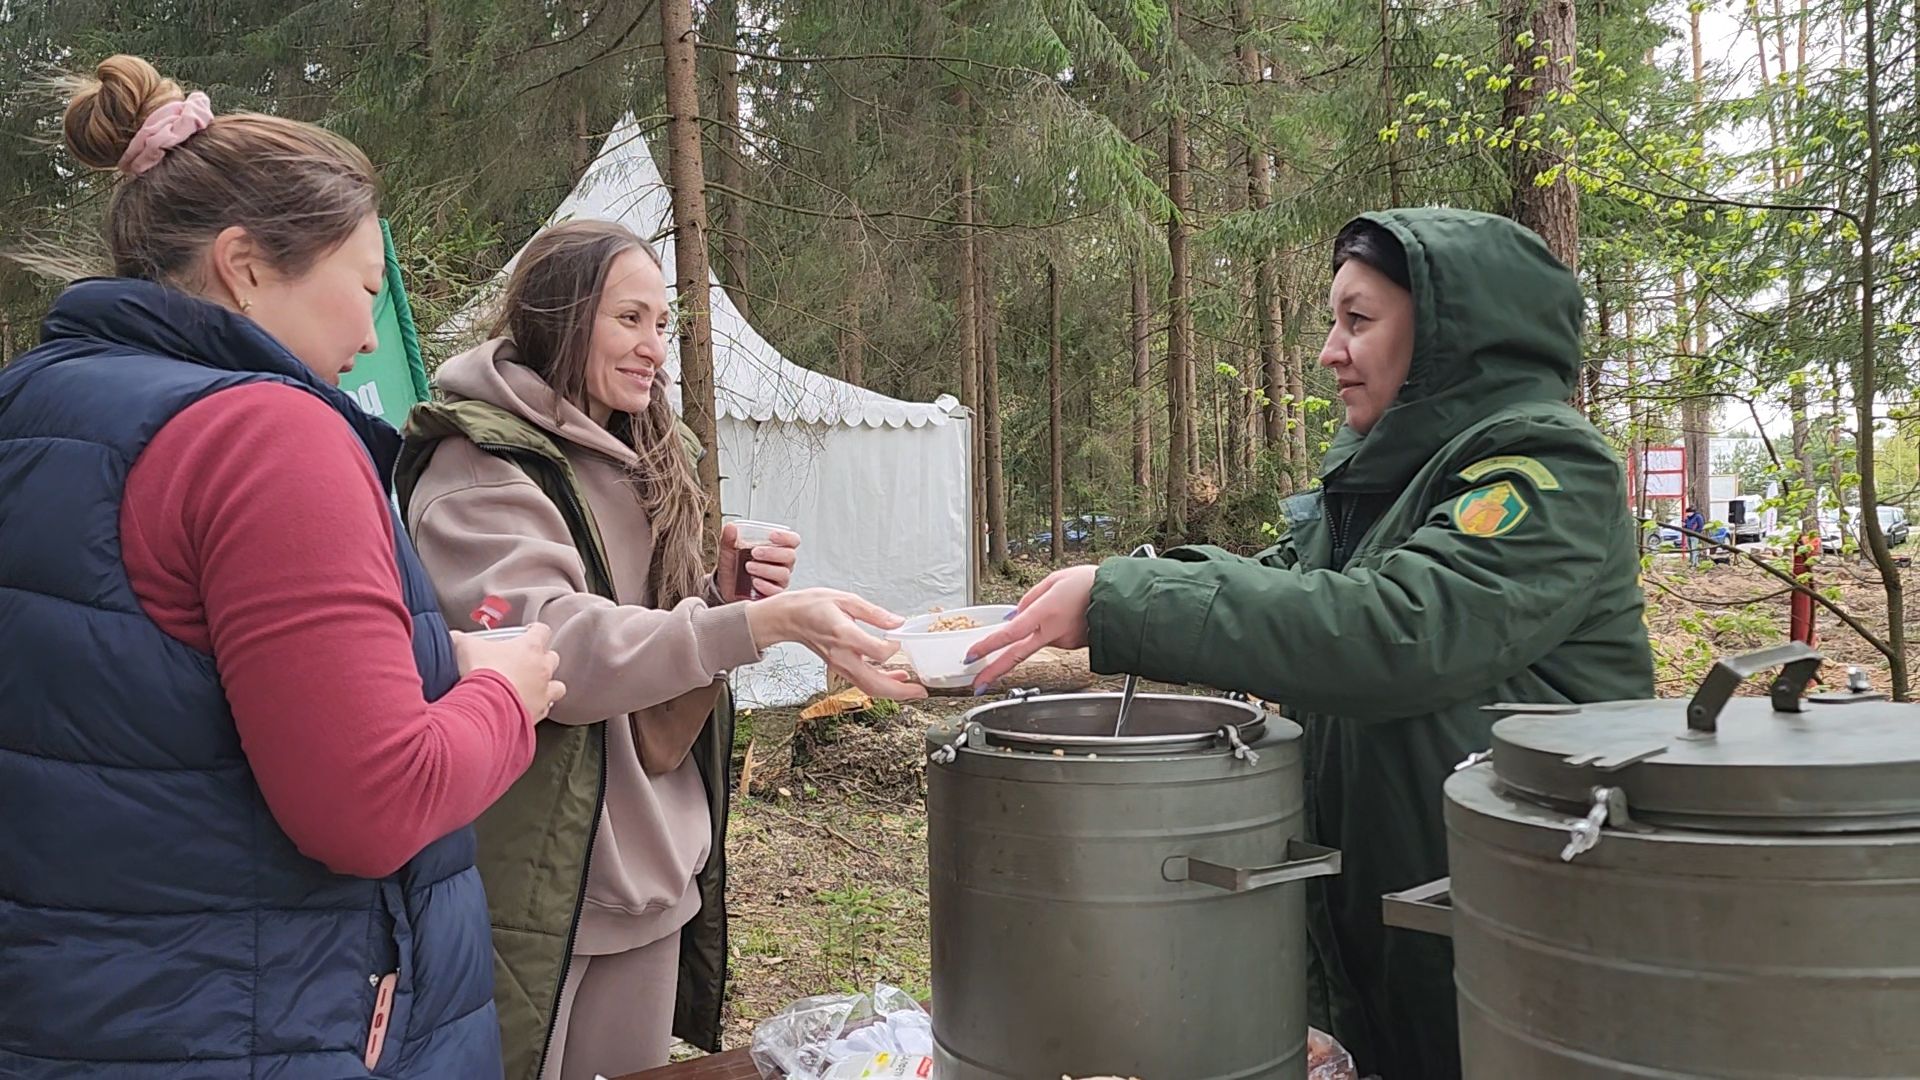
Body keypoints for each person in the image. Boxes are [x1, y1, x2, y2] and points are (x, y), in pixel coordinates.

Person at [965, 208, 1654, 1080]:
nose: (1330, 351)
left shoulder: (1545, 471)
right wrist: (1095, 599)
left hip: (1516, 942)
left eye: (1358, 321)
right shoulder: (1383, 486)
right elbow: (1282, 587)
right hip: (1395, 925)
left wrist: (1123, 600)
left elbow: (1395, 630)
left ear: (1451, 340)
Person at [0, 56, 566, 1078]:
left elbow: (142, 711)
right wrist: (506, 698)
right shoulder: (267, 438)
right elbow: (372, 803)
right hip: (261, 1023)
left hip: (77, 1014)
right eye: (360, 284)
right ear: (246, 263)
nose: (369, 325)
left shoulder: (34, 407)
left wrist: (433, 676)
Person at [396, 218, 926, 1080]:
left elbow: (652, 673)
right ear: (561, 318)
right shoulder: (480, 467)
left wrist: (722, 597)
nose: (654, 349)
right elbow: (557, 649)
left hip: (654, 876)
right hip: (544, 889)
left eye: (661, 324)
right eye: (628, 320)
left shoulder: (646, 455)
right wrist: (757, 625)